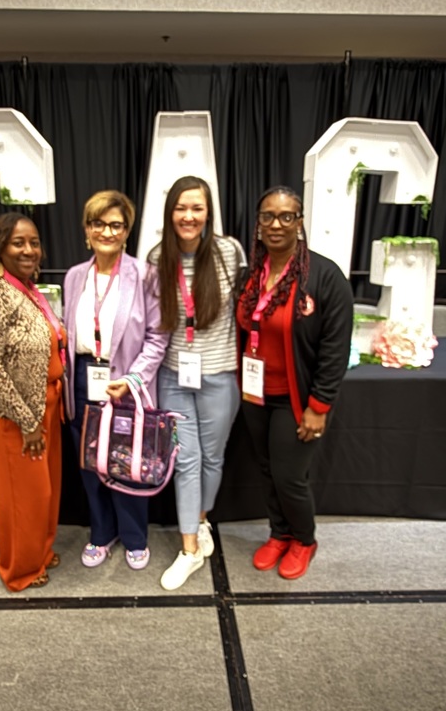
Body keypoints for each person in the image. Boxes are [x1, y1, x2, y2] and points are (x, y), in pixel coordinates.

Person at [236, 186, 353, 580]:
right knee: (267, 470)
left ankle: (304, 539)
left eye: (287, 216)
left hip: (297, 399)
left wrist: (319, 407)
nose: (276, 224)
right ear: (257, 225)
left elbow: (335, 350)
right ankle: (279, 533)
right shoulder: (250, 275)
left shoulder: (324, 276)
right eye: (268, 216)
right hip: (255, 394)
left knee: (290, 476)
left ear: (300, 224)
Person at [149, 175, 246, 590]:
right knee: (184, 461)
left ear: (208, 213)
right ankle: (189, 549)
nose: (189, 217)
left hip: (220, 375)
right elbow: (153, 326)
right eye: (181, 208)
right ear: (170, 213)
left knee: (212, 458)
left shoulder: (229, 252)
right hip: (173, 375)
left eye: (197, 208)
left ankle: (202, 520)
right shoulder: (157, 259)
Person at [64, 190, 169, 571]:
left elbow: (159, 337)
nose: (106, 231)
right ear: (87, 229)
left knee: (127, 460)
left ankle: (135, 537)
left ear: (126, 231)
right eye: (98, 223)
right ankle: (101, 533)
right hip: (82, 379)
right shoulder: (75, 276)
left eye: (115, 225)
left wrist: (132, 379)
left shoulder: (145, 275)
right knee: (90, 464)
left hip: (124, 380)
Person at [0, 212, 65, 592]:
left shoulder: (28, 288)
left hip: (47, 404)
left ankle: (39, 552)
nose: (29, 250)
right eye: (18, 243)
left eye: (34, 242)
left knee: (46, 489)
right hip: (14, 414)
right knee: (22, 495)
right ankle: (20, 569)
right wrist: (27, 421)